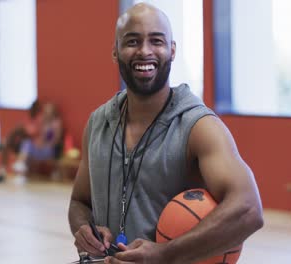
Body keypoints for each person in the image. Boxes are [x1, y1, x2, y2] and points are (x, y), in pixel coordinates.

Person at [68, 3, 264, 263]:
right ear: (115, 52)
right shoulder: (98, 123)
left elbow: (249, 209)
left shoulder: (199, 126)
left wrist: (165, 255)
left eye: (156, 41)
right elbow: (79, 202)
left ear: (172, 50)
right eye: (132, 41)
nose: (145, 51)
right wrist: (84, 229)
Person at [11, 102, 63, 184]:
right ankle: (20, 169)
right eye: (46, 111)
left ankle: (21, 168)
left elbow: (56, 140)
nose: (47, 113)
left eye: (49, 111)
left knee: (29, 147)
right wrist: (38, 143)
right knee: (26, 143)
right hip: (39, 148)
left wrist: (44, 145)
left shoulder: (56, 123)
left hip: (49, 150)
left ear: (53, 112)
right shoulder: (42, 121)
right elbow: (38, 136)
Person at [0, 99, 43, 183]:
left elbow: (32, 133)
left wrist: (22, 130)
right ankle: (2, 169)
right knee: (7, 146)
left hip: (32, 146)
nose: (31, 110)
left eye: (33, 108)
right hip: (22, 145)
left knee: (19, 130)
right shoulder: (28, 119)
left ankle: (6, 140)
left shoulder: (39, 119)